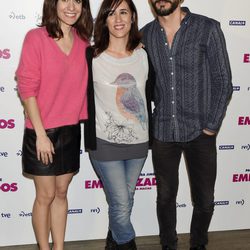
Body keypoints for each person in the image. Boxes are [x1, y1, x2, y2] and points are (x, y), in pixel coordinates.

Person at [141, 1, 233, 250]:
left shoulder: (207, 28)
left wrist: (211, 126)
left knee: (204, 200)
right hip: (163, 130)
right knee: (165, 198)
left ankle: (198, 245)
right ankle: (168, 245)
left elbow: (223, 80)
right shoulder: (145, 35)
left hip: (200, 131)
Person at [16, 0, 93, 249]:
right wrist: (40, 134)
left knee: (61, 193)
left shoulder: (83, 44)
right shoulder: (36, 38)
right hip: (41, 131)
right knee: (46, 195)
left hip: (71, 130)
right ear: (53, 4)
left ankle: (59, 247)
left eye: (78, 0)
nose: (71, 6)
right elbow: (27, 89)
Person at [84, 0, 154, 249]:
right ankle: (126, 244)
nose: (118, 19)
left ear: (133, 17)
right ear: (103, 20)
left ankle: (112, 242)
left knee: (125, 199)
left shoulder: (144, 54)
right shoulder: (91, 56)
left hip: (138, 144)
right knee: (122, 202)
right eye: (111, 14)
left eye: (123, 12)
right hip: (104, 143)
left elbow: (154, 93)